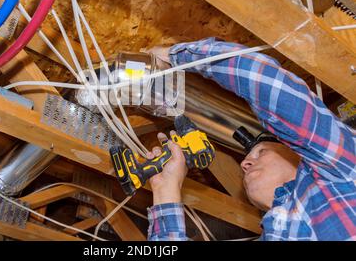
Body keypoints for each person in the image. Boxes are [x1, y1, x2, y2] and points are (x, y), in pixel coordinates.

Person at [145, 38, 356, 241]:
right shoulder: (340, 170)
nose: (244, 164)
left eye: (259, 153)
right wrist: (173, 56)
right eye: (260, 152)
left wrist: (165, 192)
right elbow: (268, 83)